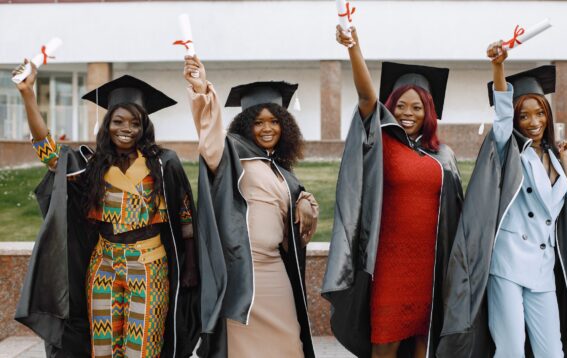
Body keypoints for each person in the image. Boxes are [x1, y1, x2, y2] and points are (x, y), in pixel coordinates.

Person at [12, 61, 201, 358]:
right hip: (104, 264)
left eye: (135, 123)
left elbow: (186, 218)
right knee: (103, 348)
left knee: (143, 348)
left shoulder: (165, 163)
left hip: (149, 265)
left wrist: (190, 268)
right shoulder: (91, 164)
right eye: (118, 121)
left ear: (144, 127)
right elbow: (47, 152)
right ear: (107, 124)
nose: (126, 129)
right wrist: (27, 93)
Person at [436, 41, 567, 357]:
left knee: (551, 352)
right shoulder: (511, 153)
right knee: (511, 349)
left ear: (548, 115)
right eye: (524, 116)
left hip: (543, 269)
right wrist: (499, 66)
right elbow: (501, 116)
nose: (533, 122)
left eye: (539, 113)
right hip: (508, 265)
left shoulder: (556, 159)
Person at [321, 26, 463, 358]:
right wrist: (354, 48)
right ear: (391, 107)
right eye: (401, 106)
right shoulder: (383, 142)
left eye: (417, 108)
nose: (408, 114)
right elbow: (366, 97)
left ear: (429, 112)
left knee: (422, 345)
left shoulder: (444, 156)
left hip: (430, 265)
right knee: (384, 343)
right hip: (389, 263)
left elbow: (456, 212)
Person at [183, 55, 318, 357]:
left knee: (289, 344)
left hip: (274, 272)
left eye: (274, 122)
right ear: (245, 124)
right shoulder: (230, 153)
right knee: (243, 350)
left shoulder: (281, 172)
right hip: (240, 273)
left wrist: (306, 201)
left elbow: (295, 210)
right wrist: (202, 90)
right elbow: (209, 137)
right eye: (258, 122)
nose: (267, 128)